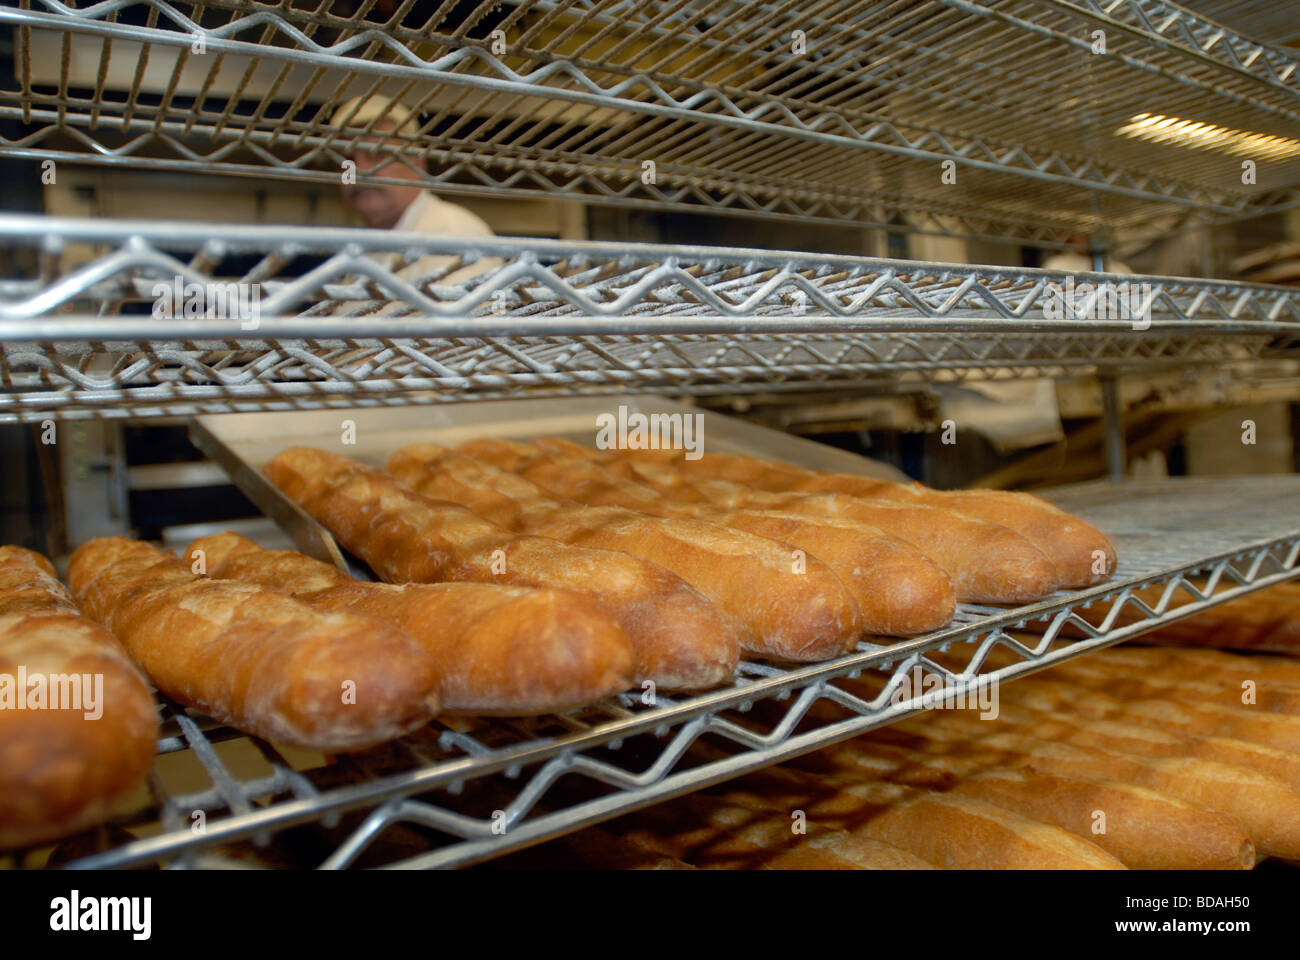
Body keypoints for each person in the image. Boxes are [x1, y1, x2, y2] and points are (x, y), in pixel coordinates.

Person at [327, 95, 500, 310]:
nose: (359, 170)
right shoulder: (365, 248)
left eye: (377, 154)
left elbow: (469, 339)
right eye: (348, 159)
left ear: (417, 163)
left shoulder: (450, 234)